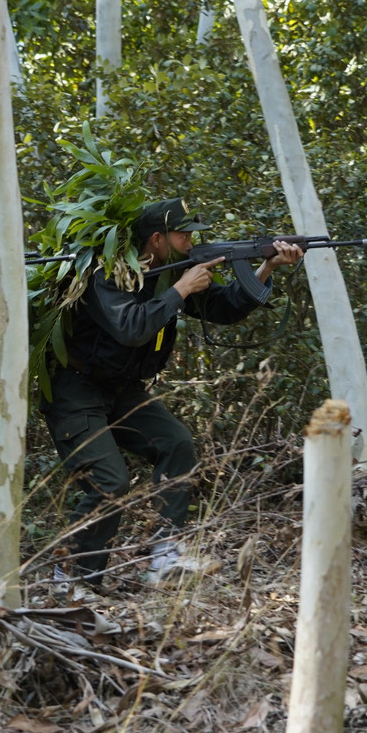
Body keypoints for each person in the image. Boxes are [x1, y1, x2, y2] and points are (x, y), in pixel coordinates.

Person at [41, 198, 304, 590]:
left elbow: (224, 308)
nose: (190, 242)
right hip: (76, 390)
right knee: (110, 481)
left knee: (176, 443)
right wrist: (180, 289)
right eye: (182, 235)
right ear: (156, 239)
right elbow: (131, 327)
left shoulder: (173, 272)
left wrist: (265, 267)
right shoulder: (106, 273)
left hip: (124, 389)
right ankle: (72, 574)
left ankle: (165, 556)